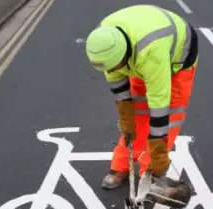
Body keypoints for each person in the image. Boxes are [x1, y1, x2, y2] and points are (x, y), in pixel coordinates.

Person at [84, 4, 199, 191]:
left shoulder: (150, 53)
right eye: (109, 68)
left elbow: (159, 105)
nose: (112, 71)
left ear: (123, 54)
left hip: (177, 57)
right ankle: (121, 165)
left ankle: (151, 171)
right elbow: (121, 93)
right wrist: (126, 119)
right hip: (138, 52)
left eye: (115, 66)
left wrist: (158, 155)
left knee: (169, 115)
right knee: (136, 115)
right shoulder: (104, 45)